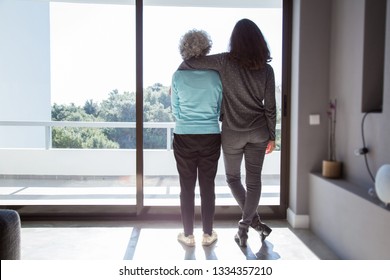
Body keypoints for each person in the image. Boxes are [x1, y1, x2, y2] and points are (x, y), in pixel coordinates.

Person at [179, 18, 276, 247]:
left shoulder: (224, 61)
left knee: (233, 179)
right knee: (254, 182)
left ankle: (248, 225)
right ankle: (249, 225)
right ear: (259, 41)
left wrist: (179, 71)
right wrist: (272, 135)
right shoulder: (267, 69)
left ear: (235, 40)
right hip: (259, 131)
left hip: (232, 132)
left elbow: (191, 63)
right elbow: (270, 107)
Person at [171, 29, 223, 247]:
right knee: (207, 186)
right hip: (211, 135)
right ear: (206, 50)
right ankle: (208, 234)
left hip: (184, 136)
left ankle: (188, 235)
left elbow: (176, 111)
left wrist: (188, 121)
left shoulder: (177, 76)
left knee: (186, 187)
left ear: (184, 49)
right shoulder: (215, 75)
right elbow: (220, 108)